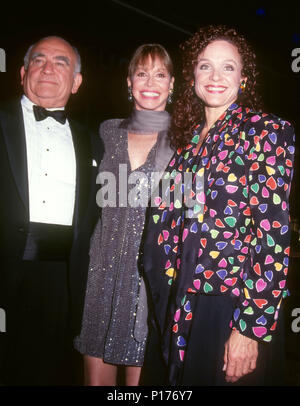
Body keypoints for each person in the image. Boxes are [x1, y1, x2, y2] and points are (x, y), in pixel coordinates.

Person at [141, 25, 295, 386]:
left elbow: (273, 234)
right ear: (192, 75)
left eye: (228, 67)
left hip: (231, 306)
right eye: (205, 65)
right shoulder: (188, 143)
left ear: (243, 78)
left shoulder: (265, 130)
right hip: (182, 304)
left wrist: (251, 328)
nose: (215, 76)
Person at [0, 36, 101, 385]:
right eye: (39, 60)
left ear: (76, 82)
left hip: (65, 281)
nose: (48, 68)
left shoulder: (94, 141)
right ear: (23, 72)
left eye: (61, 62)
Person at [74, 44, 175, 386]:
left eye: (160, 74)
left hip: (150, 283)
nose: (150, 82)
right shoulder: (106, 132)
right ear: (129, 81)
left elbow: (189, 218)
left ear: (173, 84)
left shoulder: (188, 141)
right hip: (100, 275)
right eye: (142, 73)